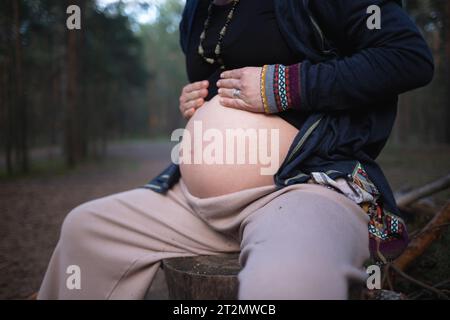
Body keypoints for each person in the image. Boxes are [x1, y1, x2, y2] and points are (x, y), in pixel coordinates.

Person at [38, 0, 433, 299]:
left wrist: (284, 86)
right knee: (86, 229)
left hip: (308, 185)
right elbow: (222, 78)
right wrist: (199, 98)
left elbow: (406, 57)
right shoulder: (197, 10)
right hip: (194, 205)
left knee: (289, 277)